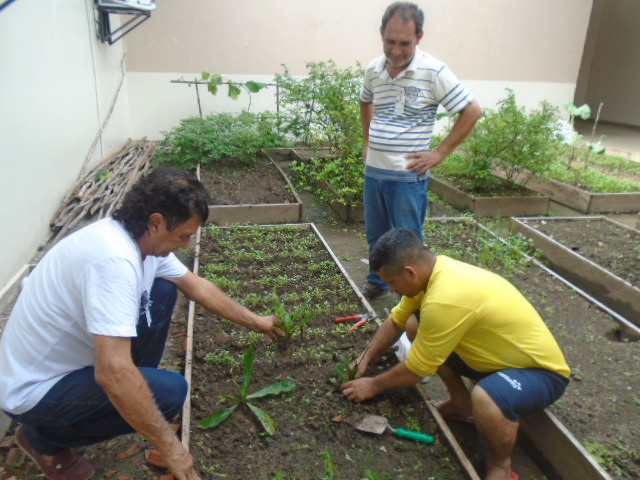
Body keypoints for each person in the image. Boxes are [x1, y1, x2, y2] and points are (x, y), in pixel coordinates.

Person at [0, 167, 284, 480]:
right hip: (34, 388)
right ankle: (42, 439)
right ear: (157, 221)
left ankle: (136, 392)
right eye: (184, 235)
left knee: (163, 291)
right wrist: (171, 448)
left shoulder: (140, 239)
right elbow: (112, 373)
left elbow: (196, 287)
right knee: (170, 393)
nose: (187, 245)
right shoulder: (113, 261)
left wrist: (257, 322)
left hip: (62, 363)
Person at [342, 229, 570, 480]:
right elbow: (396, 321)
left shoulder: (446, 298)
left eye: (393, 283)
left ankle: (500, 464)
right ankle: (460, 403)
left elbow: (418, 369)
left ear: (410, 272)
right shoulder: (433, 273)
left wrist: (373, 385)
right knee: (413, 325)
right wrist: (365, 358)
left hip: (540, 373)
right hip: (497, 359)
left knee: (485, 399)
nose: (392, 290)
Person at [360, 2, 483, 299]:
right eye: (390, 41)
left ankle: (414, 298)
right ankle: (377, 281)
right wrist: (368, 140)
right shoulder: (374, 69)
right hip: (375, 172)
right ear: (381, 34)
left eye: (405, 43)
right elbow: (365, 101)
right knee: (376, 236)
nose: (397, 50)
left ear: (420, 37)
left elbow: (472, 111)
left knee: (409, 243)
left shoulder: (433, 71)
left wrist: (439, 153)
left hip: (408, 177)